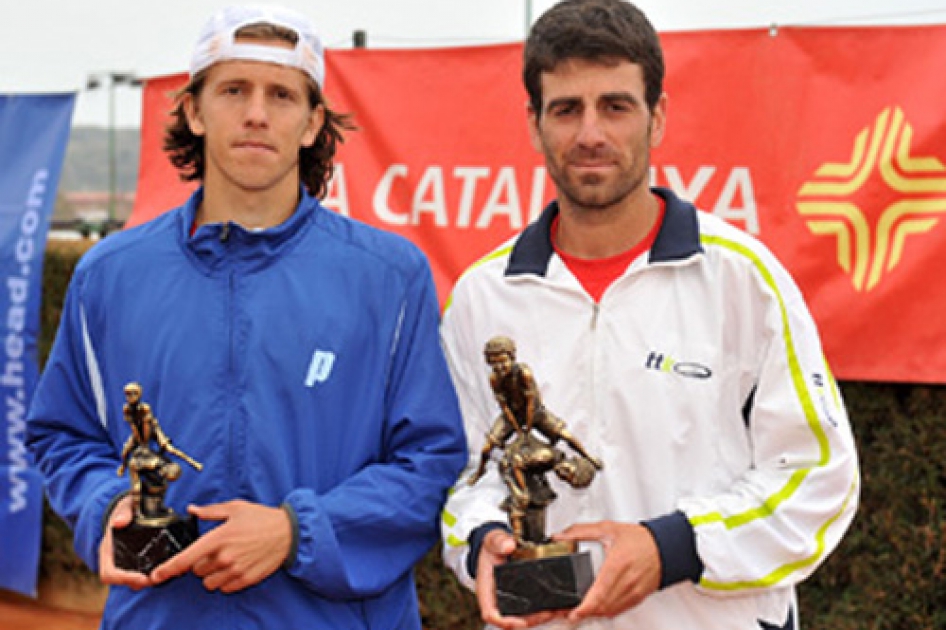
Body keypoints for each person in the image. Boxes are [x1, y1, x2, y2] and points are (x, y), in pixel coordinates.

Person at [26, 5, 467, 629]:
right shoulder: (109, 273)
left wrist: (294, 532)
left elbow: (430, 463)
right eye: (234, 89)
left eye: (282, 94)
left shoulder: (391, 275)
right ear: (195, 111)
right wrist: (107, 506)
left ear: (313, 122)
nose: (257, 112)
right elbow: (62, 434)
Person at [440, 1, 860, 629]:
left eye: (615, 105)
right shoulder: (481, 296)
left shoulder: (743, 278)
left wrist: (672, 548)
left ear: (657, 116)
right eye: (566, 109)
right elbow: (462, 479)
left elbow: (817, 479)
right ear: (533, 124)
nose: (590, 134)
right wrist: (483, 541)